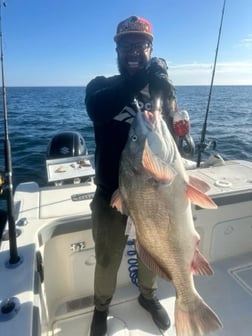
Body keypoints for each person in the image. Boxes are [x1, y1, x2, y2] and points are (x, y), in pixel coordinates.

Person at [85, 15, 180, 336]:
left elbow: (175, 145)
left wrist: (178, 121)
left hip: (154, 193)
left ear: (151, 49)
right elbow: (99, 110)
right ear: (117, 50)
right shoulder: (101, 86)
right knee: (107, 258)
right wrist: (145, 78)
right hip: (112, 194)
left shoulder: (159, 93)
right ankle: (101, 308)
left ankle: (148, 297)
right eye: (127, 45)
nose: (134, 51)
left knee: (151, 248)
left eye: (141, 45)